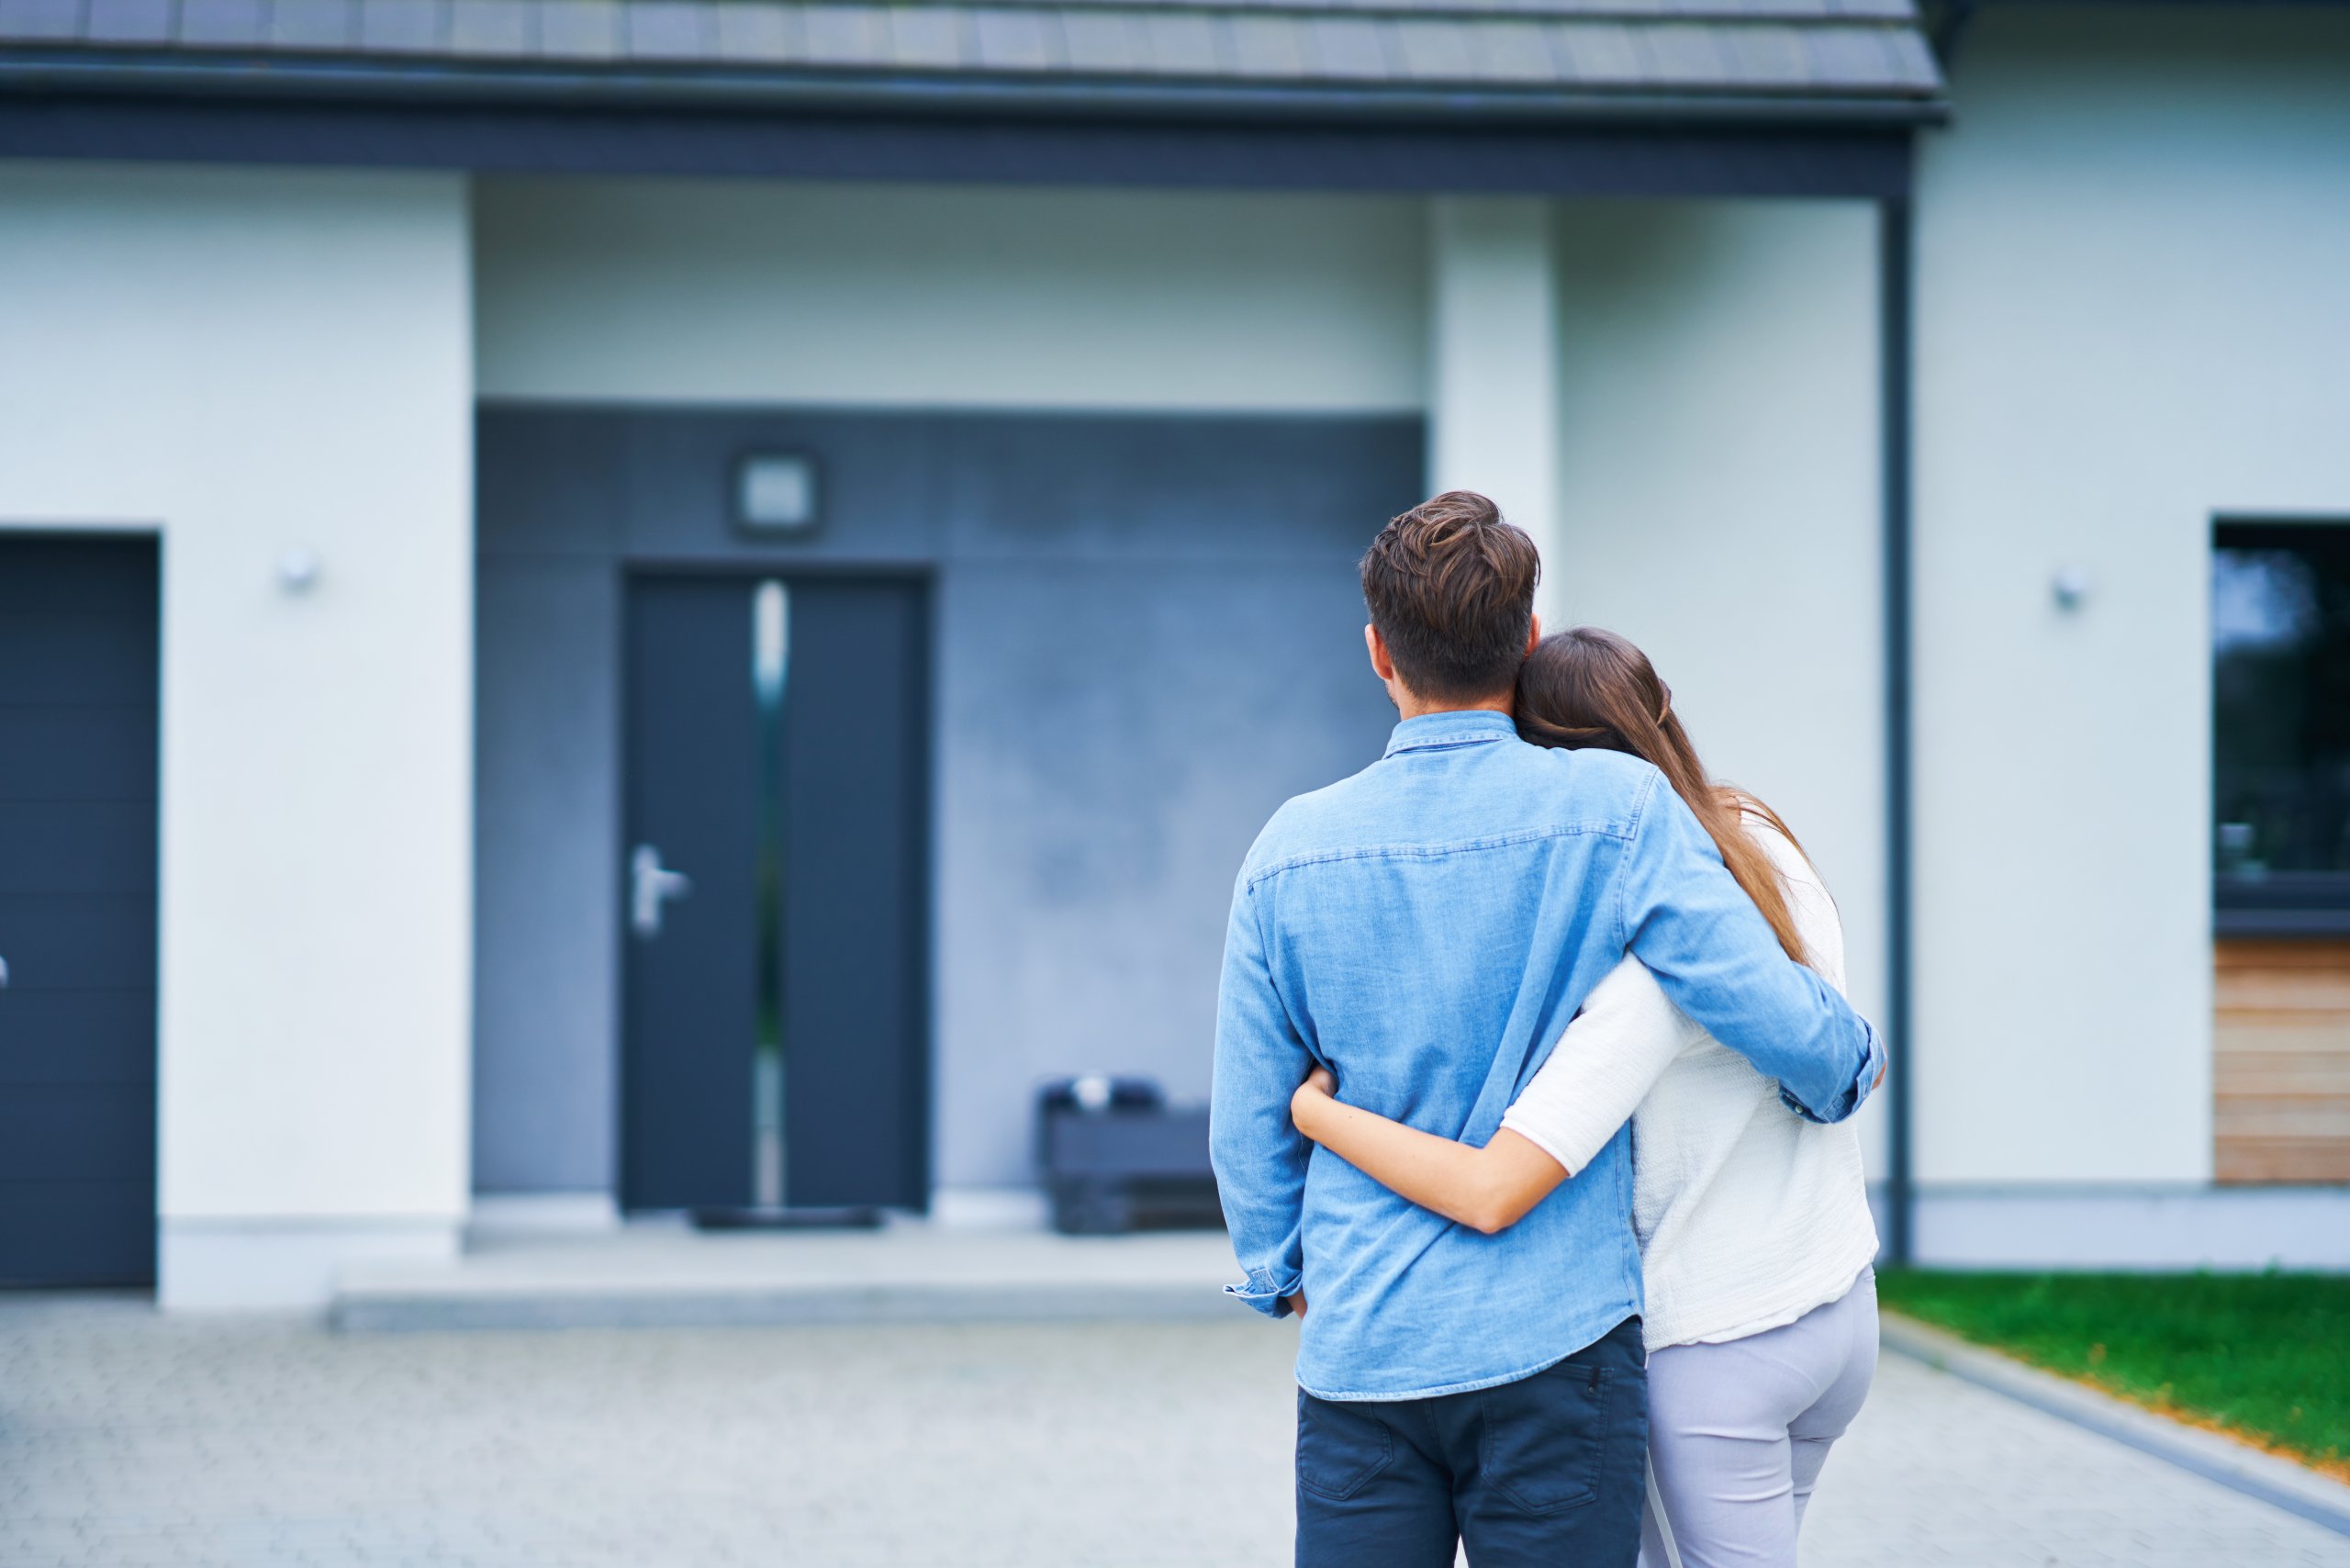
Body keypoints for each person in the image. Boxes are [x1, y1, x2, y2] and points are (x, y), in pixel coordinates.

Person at [1209, 492, 1883, 1568]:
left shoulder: (1290, 848)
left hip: (1367, 1349)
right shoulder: (1618, 811)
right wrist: (1847, 1066)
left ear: (1378, 651)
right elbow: (1757, 997)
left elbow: (1250, 1107)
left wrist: (1278, 1266)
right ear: (1524, 643)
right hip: (1558, 1345)